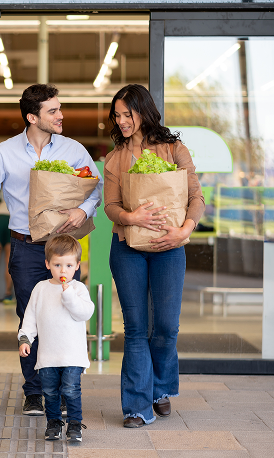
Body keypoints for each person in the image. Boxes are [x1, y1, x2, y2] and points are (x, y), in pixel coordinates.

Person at [0, 83, 103, 416]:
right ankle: (34, 391)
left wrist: (82, 211)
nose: (61, 116)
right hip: (25, 247)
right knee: (29, 318)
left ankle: (63, 386)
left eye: (60, 109)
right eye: (53, 111)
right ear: (32, 117)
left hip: (63, 249)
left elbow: (96, 187)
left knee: (66, 315)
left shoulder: (73, 150)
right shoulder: (5, 152)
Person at [103, 84, 204, 428]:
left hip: (169, 248)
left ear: (143, 111)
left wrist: (184, 230)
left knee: (164, 326)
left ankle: (159, 389)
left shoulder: (174, 149)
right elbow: (111, 207)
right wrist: (132, 218)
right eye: (117, 115)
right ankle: (135, 406)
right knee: (135, 328)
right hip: (127, 249)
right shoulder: (114, 158)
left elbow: (196, 198)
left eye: (126, 114)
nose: (121, 121)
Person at [18, 234, 94, 443]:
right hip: (48, 356)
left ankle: (75, 424)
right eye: (57, 265)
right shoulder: (41, 289)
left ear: (77, 266)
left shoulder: (78, 289)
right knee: (50, 392)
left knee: (70, 390)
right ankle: (53, 423)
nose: (63, 270)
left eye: (69, 265)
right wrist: (25, 339)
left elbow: (84, 313)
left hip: (72, 356)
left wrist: (68, 295)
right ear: (47, 264)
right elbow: (30, 317)